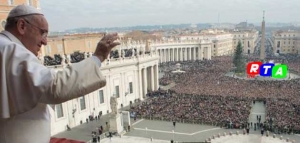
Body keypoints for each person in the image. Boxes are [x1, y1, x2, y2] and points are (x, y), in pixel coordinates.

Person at [0, 4, 120, 143]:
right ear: (22, 26)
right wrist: (98, 57)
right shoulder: (10, 50)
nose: (45, 41)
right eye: (42, 32)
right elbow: (54, 87)